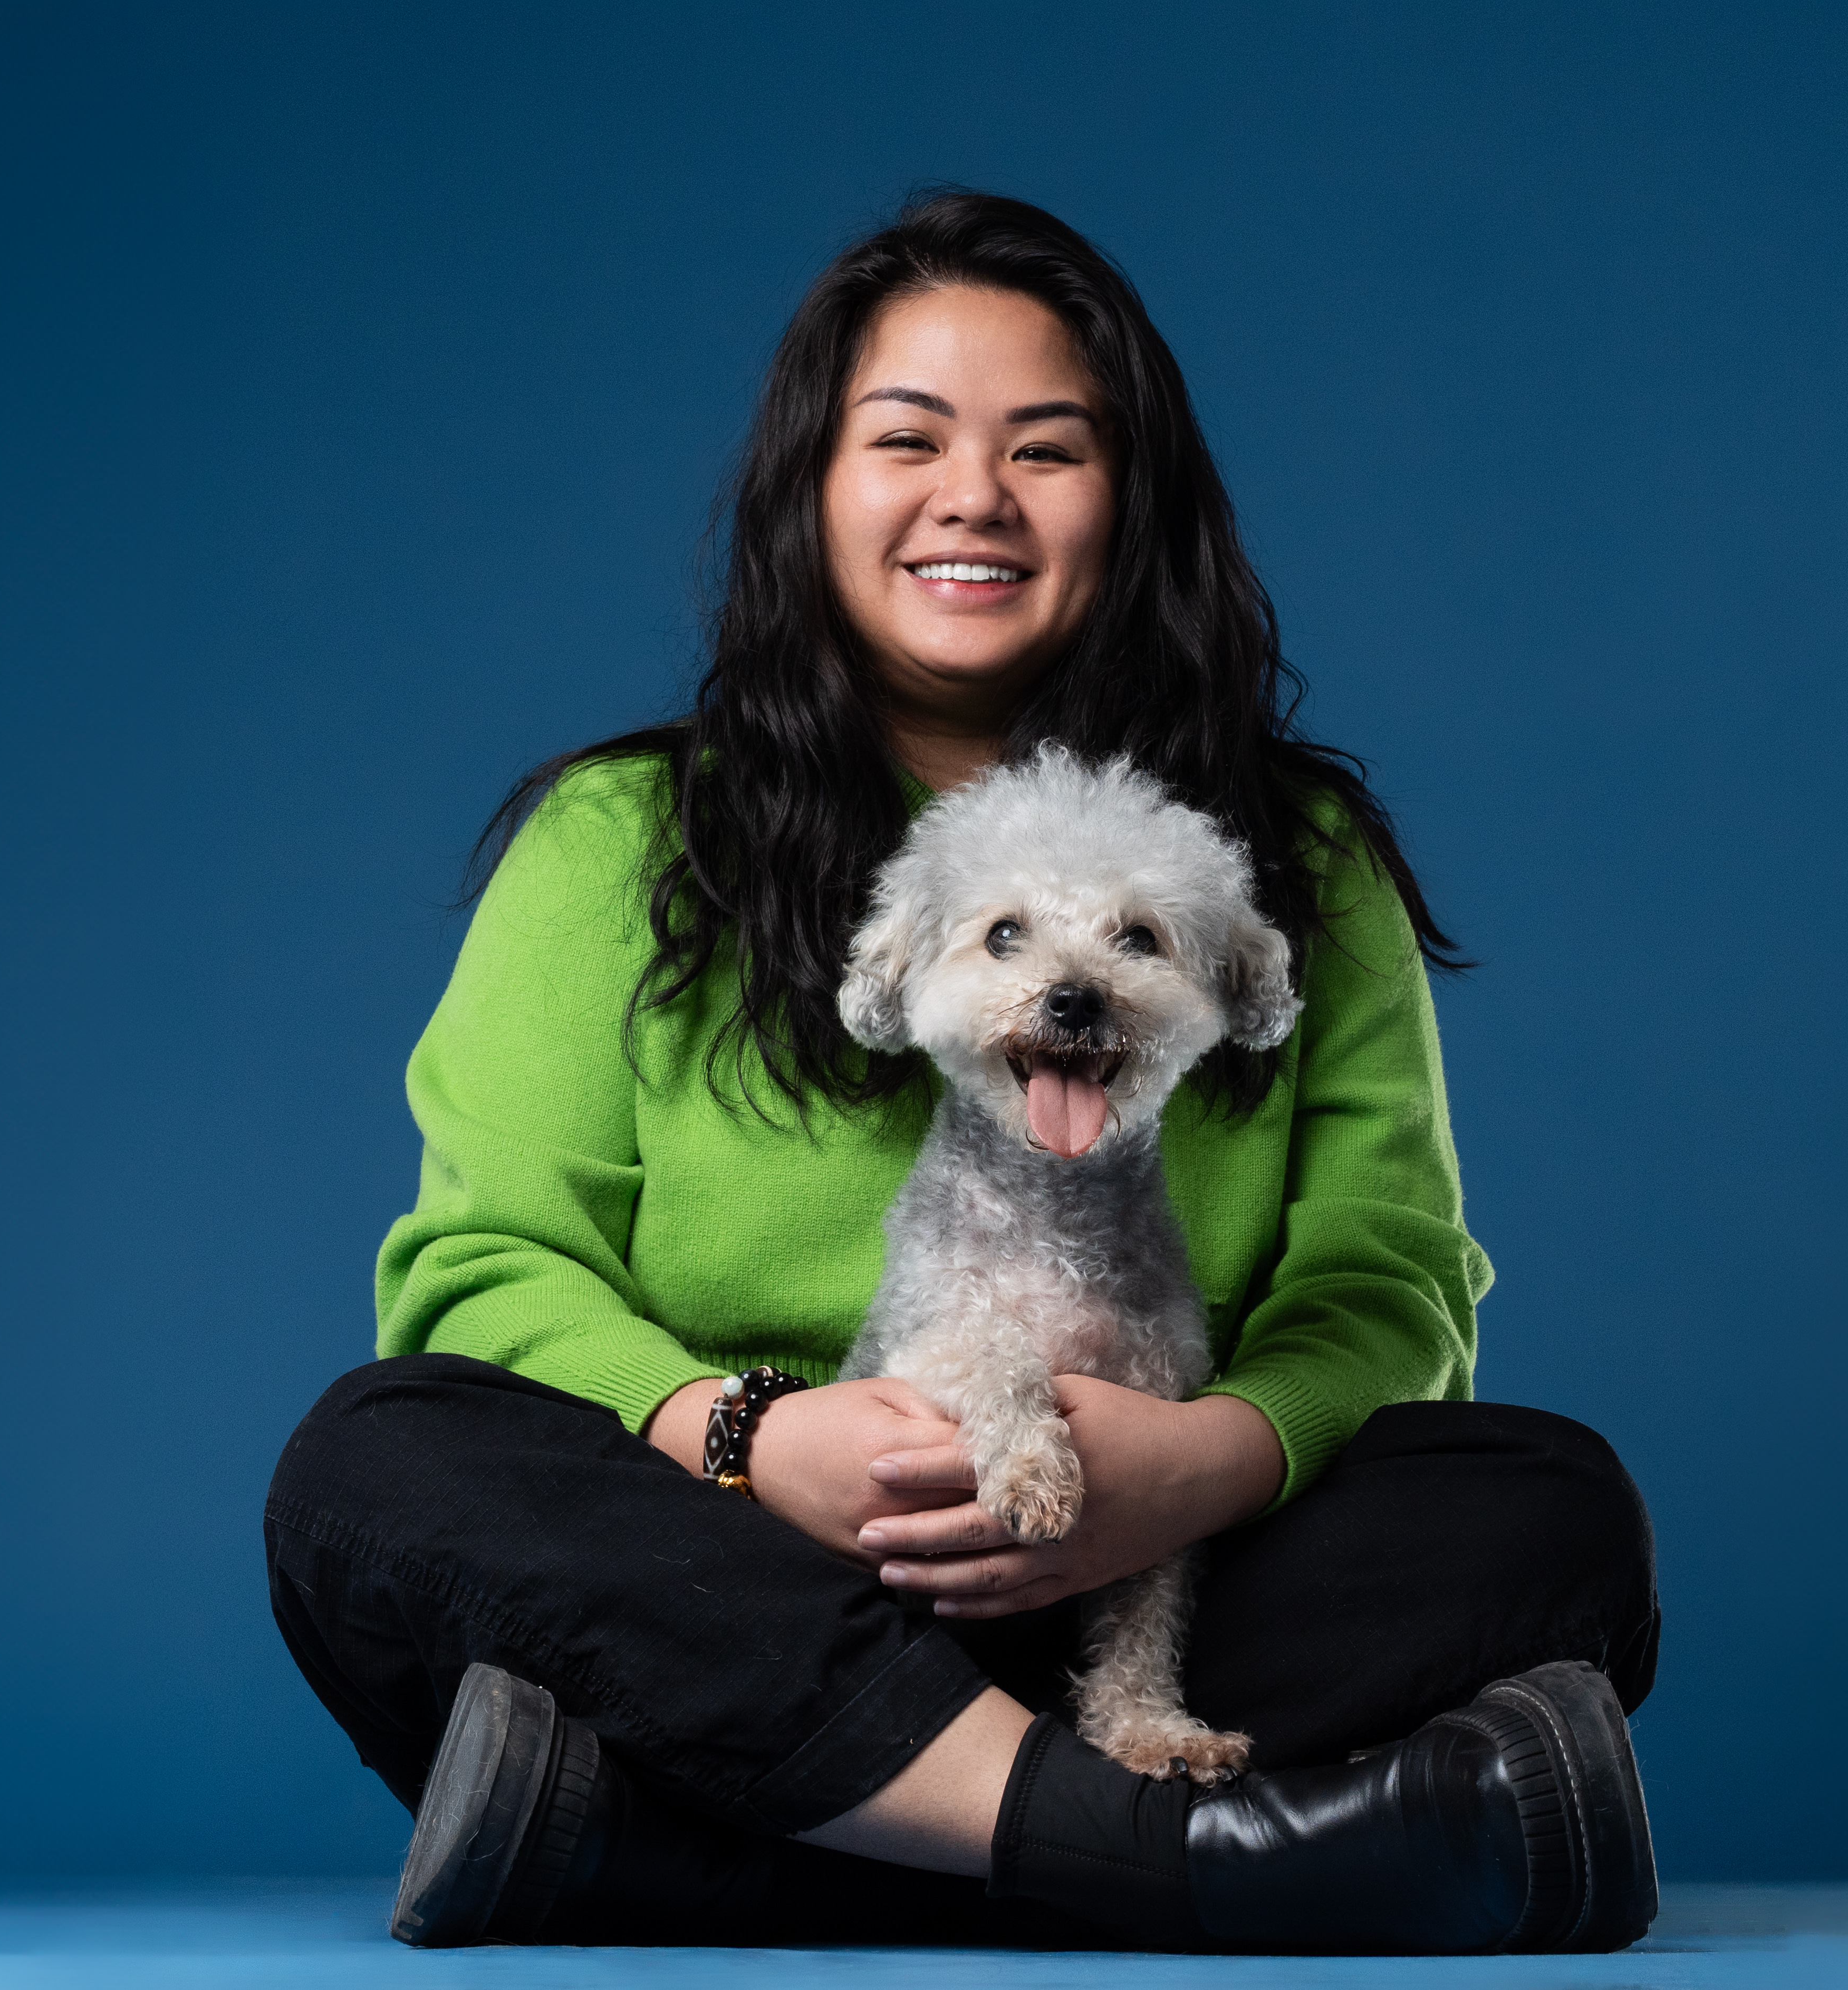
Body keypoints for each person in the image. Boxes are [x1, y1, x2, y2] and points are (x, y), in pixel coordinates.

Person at [264, 190, 1663, 1955]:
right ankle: (1170, 1851)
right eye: (905, 439)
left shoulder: (1290, 858)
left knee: (1550, 1508)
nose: (972, 499)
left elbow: (1388, 1286)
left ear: (1128, 498)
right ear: (812, 491)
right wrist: (756, 1442)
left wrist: (1202, 1463)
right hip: (745, 1574)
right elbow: (477, 1274)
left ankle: (662, 1834)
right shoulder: (612, 843)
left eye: (1048, 449)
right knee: (373, 1465)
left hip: (1155, 1564)